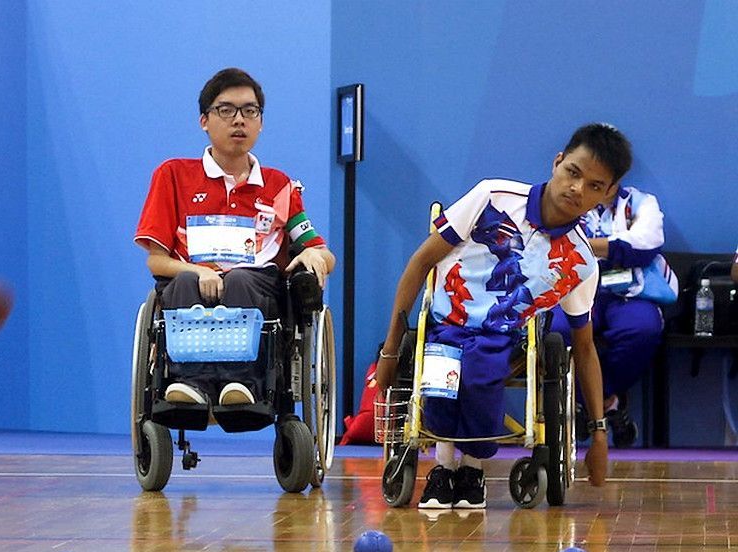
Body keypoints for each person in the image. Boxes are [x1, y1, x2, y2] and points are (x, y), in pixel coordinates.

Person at [376, 123, 632, 510]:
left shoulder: (580, 263)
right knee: (443, 375)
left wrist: (598, 433)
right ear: (557, 162)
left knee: (479, 369)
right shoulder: (492, 195)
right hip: (446, 320)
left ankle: (473, 471)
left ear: (608, 194)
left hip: (505, 336)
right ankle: (443, 470)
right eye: (573, 173)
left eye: (595, 186)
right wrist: (391, 351)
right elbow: (420, 262)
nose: (578, 189)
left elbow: (584, 346)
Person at [134, 68, 335, 406]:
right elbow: (156, 259)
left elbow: (321, 251)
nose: (239, 120)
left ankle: (242, 384)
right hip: (192, 281)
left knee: (242, 280)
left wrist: (315, 256)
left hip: (256, 288)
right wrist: (199, 271)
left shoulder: (278, 186)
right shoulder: (172, 175)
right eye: (226, 110)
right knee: (183, 284)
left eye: (250, 111)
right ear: (204, 120)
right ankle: (190, 385)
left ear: (260, 122)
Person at [549, 184, 667, 448]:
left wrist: (586, 246)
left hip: (626, 291)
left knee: (642, 329)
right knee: (556, 331)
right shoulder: (563, 199)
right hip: (574, 286)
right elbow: (549, 243)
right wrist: (612, 248)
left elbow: (644, 245)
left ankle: (593, 402)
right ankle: (607, 406)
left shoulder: (640, 201)